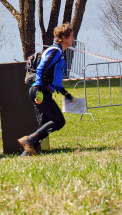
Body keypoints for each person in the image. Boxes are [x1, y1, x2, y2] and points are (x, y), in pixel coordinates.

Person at [19, 23, 76, 156]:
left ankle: (24, 155)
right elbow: (41, 68)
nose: (73, 38)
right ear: (63, 37)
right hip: (39, 90)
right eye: (71, 36)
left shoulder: (60, 53)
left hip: (41, 90)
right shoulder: (55, 51)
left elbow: (55, 81)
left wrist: (66, 94)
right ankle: (30, 140)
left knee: (45, 124)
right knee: (58, 121)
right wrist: (39, 87)